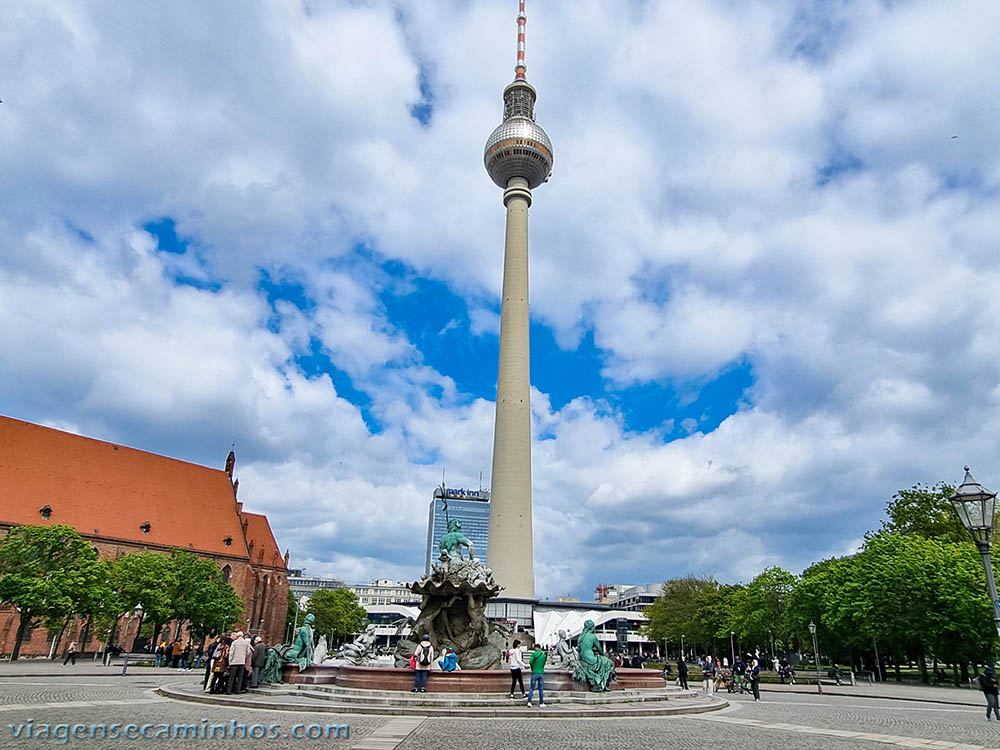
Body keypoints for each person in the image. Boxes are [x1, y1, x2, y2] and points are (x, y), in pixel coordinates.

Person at [526, 643, 546, 707]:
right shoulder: (544, 655)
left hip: (534, 672)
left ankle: (529, 702)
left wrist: (532, 667)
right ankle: (541, 703)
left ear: (536, 648)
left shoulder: (534, 654)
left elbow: (530, 662)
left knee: (532, 688)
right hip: (541, 672)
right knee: (541, 688)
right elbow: (544, 663)